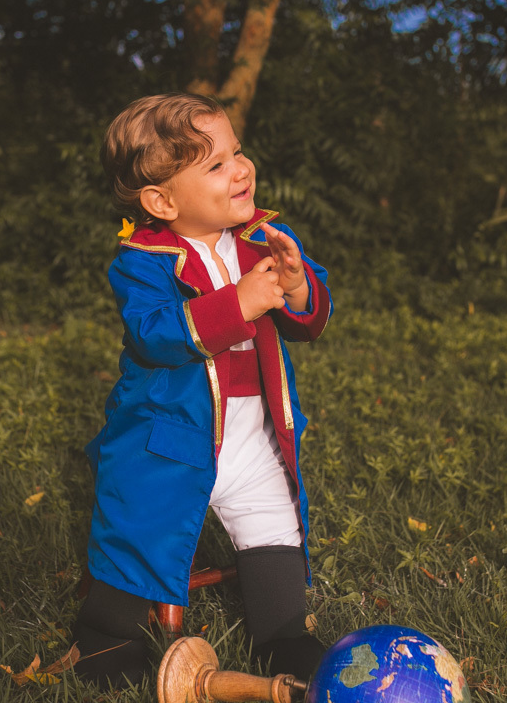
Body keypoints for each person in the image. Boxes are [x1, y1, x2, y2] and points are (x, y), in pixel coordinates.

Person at [72, 93, 332, 689]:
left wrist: (294, 286)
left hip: (252, 431)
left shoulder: (262, 238)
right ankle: (105, 636)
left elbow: (310, 318)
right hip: (169, 436)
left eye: (237, 152)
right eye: (214, 165)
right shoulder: (144, 261)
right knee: (141, 524)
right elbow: (154, 334)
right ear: (162, 200)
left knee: (272, 523)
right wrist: (238, 303)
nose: (239, 169)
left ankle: (283, 635)